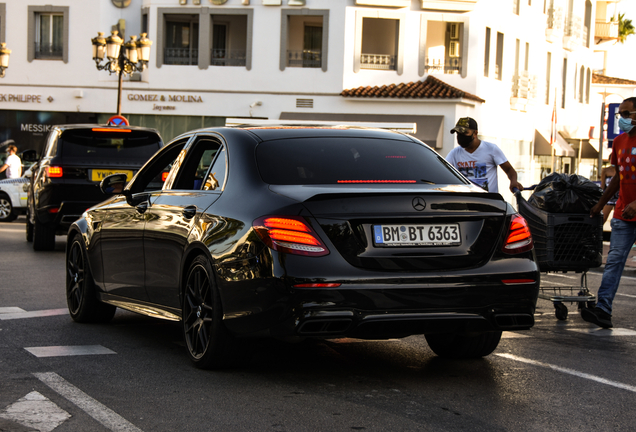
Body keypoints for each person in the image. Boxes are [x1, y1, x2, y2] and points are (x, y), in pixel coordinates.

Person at [583, 97, 636, 328]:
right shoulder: (619, 141)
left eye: (626, 114)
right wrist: (600, 203)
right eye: (620, 114)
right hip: (624, 215)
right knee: (614, 260)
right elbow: (617, 178)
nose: (622, 119)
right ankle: (603, 309)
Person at [446, 117, 523, 193]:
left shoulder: (491, 149)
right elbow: (443, 171)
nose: (461, 137)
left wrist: (513, 181)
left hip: (488, 201)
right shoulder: (454, 153)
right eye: (458, 133)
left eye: (465, 133)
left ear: (475, 133)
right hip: (466, 201)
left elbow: (509, 169)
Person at [600, 161, 619, 225]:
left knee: (618, 220)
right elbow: (602, 185)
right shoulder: (605, 170)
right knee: (603, 218)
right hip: (609, 197)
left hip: (619, 197)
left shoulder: (621, 170)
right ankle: (596, 233)